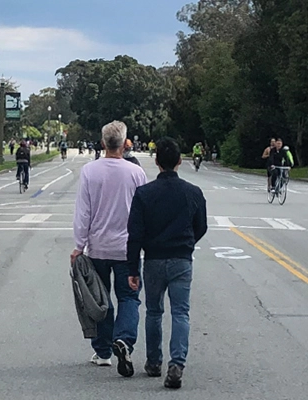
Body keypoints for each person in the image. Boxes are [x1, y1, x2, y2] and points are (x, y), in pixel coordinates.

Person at [127, 137, 207, 389]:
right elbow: (201, 226)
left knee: (153, 311)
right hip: (181, 259)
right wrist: (187, 242)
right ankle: (177, 363)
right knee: (180, 312)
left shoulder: (144, 194)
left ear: (157, 161)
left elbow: (135, 233)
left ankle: (153, 361)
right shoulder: (193, 193)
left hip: (153, 258)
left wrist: (132, 267)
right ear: (180, 161)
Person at [72, 121, 148, 377]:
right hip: (127, 248)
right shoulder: (136, 173)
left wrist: (79, 245)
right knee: (129, 298)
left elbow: (83, 212)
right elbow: (143, 213)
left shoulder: (90, 171)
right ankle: (124, 340)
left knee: (100, 300)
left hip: (98, 247)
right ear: (125, 144)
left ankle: (103, 351)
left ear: (103, 143)